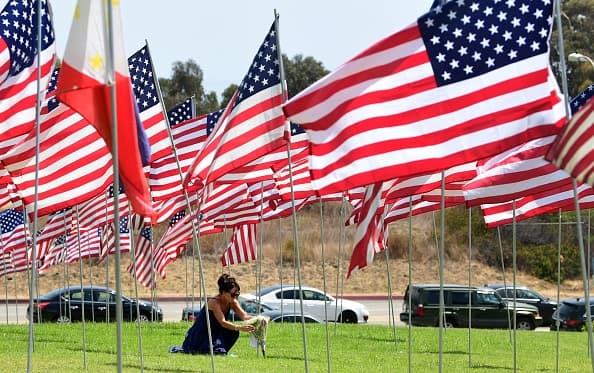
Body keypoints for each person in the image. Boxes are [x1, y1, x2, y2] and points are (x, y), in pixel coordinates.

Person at [177, 274, 255, 355]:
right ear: (224, 292)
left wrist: (259, 319)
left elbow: (244, 316)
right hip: (202, 333)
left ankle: (222, 350)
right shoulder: (214, 302)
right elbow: (223, 322)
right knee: (234, 330)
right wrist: (239, 327)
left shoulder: (232, 302)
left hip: (215, 331)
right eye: (233, 295)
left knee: (233, 332)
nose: (235, 297)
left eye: (237, 294)